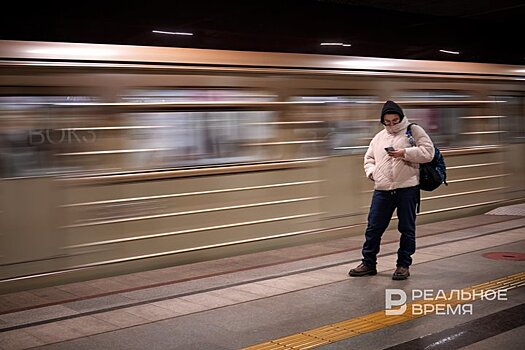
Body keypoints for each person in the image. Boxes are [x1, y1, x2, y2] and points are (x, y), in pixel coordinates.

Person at [349, 100, 434, 280]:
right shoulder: (379, 137)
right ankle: (368, 263)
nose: (391, 125)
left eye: (395, 121)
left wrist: (405, 152)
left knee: (406, 229)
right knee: (373, 228)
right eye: (387, 122)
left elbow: (428, 153)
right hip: (382, 190)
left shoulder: (414, 130)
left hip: (407, 189)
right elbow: (369, 158)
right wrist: (373, 174)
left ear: (401, 117)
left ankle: (403, 265)